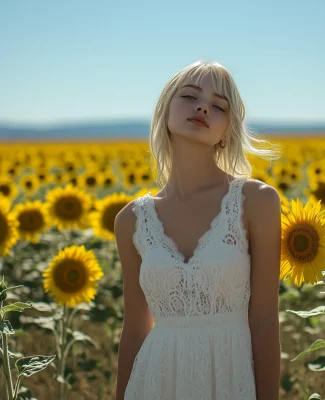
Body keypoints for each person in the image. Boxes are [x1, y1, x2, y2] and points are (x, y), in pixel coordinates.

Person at [114, 60, 282, 400]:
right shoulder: (131, 220)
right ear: (164, 112)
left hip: (231, 381)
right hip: (154, 383)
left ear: (226, 131)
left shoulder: (256, 201)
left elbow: (264, 322)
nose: (203, 106)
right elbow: (134, 329)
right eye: (190, 97)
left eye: (219, 105)